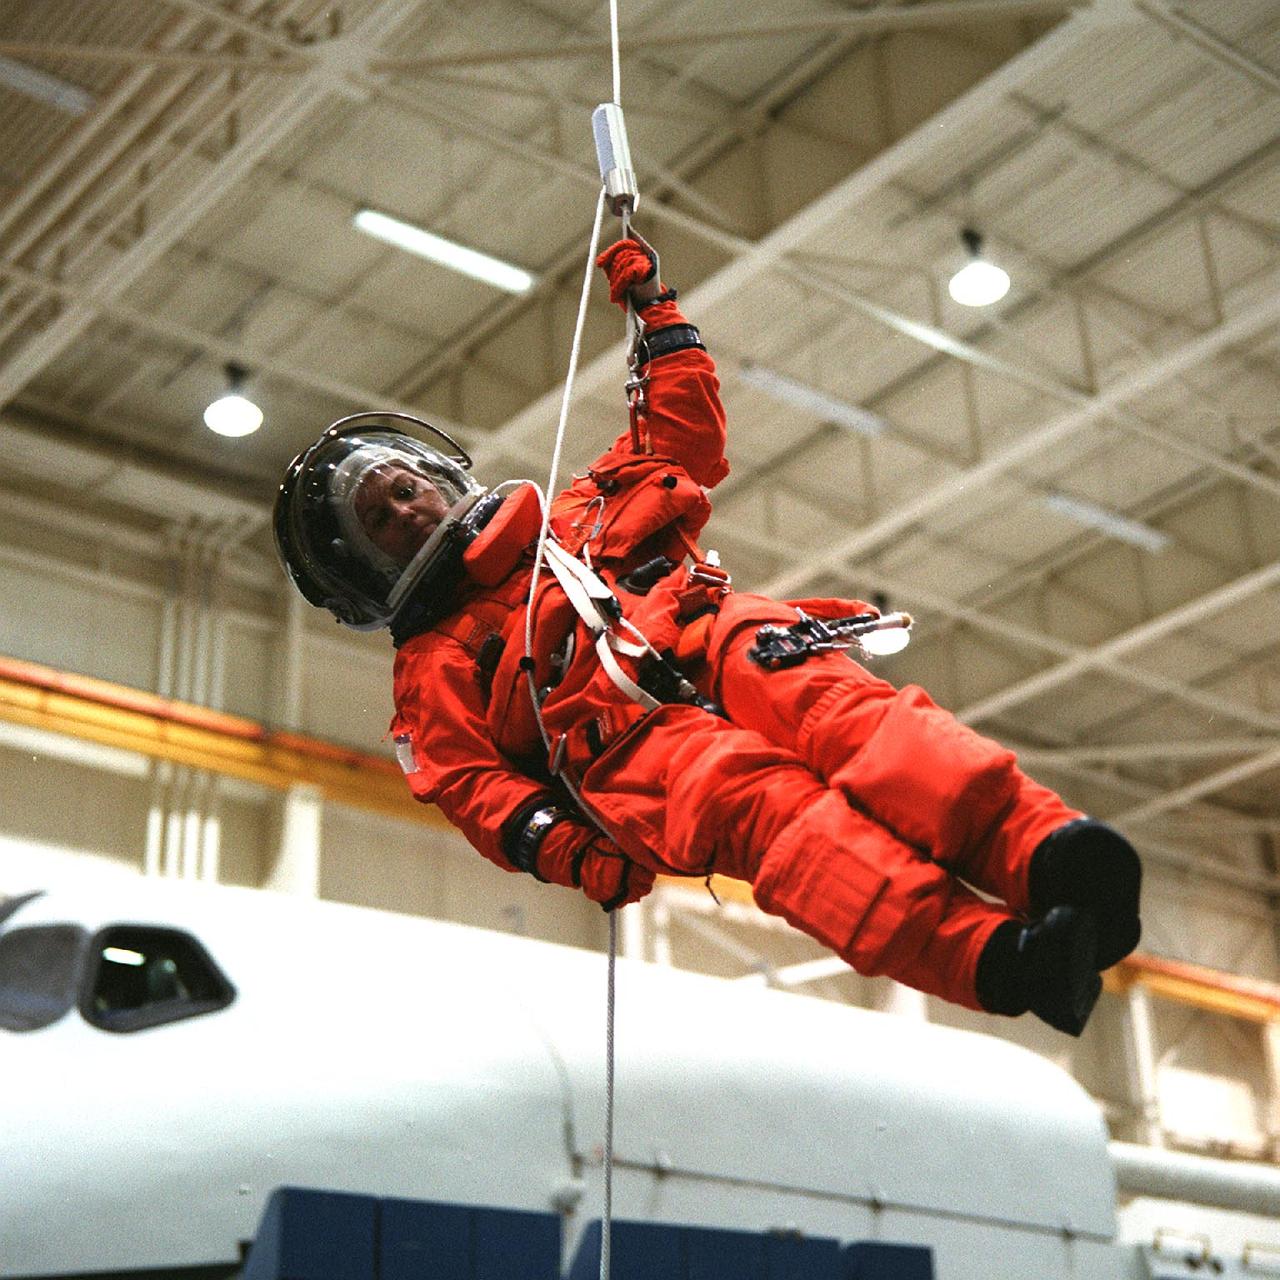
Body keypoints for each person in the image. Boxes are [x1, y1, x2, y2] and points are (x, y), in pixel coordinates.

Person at [274, 235, 1142, 1036]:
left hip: (719, 640)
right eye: (380, 518)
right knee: (777, 818)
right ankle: (997, 959)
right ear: (369, 564)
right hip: (633, 753)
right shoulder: (432, 670)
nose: (404, 506)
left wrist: (655, 306)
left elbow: (680, 439)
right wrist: (571, 850)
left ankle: (1050, 857)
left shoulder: (576, 508)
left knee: (854, 719)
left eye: (402, 486)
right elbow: (473, 789)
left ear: (434, 474)